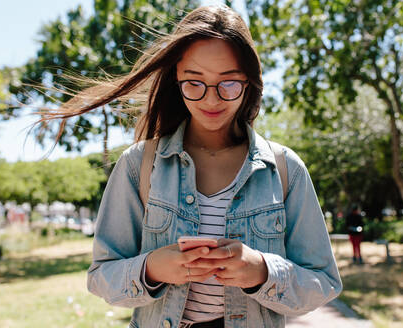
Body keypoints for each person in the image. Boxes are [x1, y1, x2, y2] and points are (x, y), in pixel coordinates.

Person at [44, 5, 342, 327]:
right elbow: (101, 276)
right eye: (194, 82)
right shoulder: (138, 165)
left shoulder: (285, 169)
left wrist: (262, 271)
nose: (211, 101)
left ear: (249, 83)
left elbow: (323, 282)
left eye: (229, 83)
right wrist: (152, 269)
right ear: (177, 78)